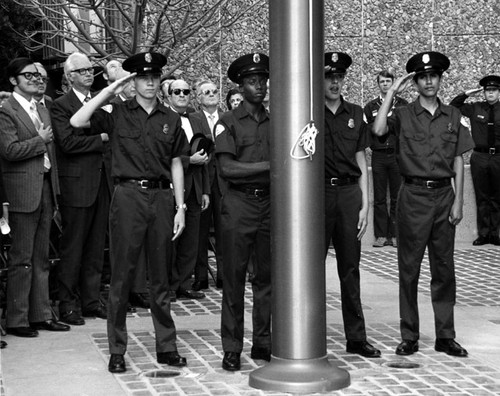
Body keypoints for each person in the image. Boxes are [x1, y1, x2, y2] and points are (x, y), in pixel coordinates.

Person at [70, 52, 189, 373]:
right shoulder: (117, 112)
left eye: (154, 77)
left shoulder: (172, 118)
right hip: (128, 197)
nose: (149, 83)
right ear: (132, 81)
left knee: (161, 277)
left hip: (163, 199)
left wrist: (180, 206)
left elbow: (177, 161)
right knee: (121, 276)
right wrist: (109, 91)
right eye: (142, 77)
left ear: (160, 80)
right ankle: (117, 350)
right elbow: (77, 121)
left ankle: (167, 347)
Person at [373, 51, 473, 357]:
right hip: (413, 197)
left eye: (434, 76)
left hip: (444, 197)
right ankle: (410, 335)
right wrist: (391, 93)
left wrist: (459, 202)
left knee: (444, 269)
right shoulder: (402, 115)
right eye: (423, 77)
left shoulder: (454, 116)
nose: (429, 81)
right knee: (409, 269)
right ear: (415, 83)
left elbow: (458, 158)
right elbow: (377, 131)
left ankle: (445, 335)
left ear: (440, 80)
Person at [0, 57, 70, 337]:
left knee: (41, 257)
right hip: (21, 193)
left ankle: (41, 315)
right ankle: (18, 320)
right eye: (27, 75)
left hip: (44, 189)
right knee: (22, 257)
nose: (35, 79)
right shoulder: (6, 111)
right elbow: (9, 151)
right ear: (13, 81)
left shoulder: (43, 108)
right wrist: (39, 140)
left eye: (37, 75)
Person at [215, 53, 272, 371]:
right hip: (239, 205)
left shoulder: (276, 120)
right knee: (234, 279)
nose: (260, 86)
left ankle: (263, 342)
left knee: (266, 278)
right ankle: (232, 346)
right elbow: (227, 168)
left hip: (268, 205)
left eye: (263, 81)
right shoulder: (227, 121)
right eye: (252, 81)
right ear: (240, 85)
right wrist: (269, 166)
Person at [323, 52, 381, 358]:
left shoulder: (356, 113)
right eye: (329, 77)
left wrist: (365, 205)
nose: (334, 82)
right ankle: (309, 334)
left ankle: (356, 338)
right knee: (310, 269)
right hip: (317, 196)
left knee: (350, 268)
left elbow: (362, 160)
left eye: (339, 77)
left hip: (348, 196)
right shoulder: (308, 113)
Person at [51, 52, 110, 325]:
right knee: (73, 248)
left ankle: (91, 301)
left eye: (91, 69)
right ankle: (67, 304)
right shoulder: (61, 105)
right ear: (69, 75)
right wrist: (99, 138)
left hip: (101, 184)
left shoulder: (100, 104)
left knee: (97, 248)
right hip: (76, 186)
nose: (89, 74)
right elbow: (67, 143)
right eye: (83, 70)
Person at [168, 79, 210, 300]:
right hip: (172, 186)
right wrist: (188, 160)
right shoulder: (163, 118)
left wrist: (205, 191)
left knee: (191, 240)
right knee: (172, 238)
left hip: (194, 187)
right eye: (177, 91)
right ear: (169, 96)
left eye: (186, 91)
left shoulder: (196, 119)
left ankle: (184, 283)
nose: (182, 95)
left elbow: (204, 155)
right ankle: (170, 285)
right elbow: (163, 155)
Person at [450, 76, 500, 246]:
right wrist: (466, 93)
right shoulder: (475, 108)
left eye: (494, 90)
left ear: (499, 92)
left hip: (499, 157)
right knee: (482, 197)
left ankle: (496, 234)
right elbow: (453, 106)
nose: (490, 93)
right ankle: (483, 234)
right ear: (484, 93)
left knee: (497, 197)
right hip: (480, 156)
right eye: (487, 90)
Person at [364, 70, 407, 248]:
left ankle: (396, 235)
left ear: (393, 83)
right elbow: (369, 130)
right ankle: (381, 235)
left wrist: (386, 123)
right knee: (380, 197)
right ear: (378, 84)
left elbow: (405, 129)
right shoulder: (371, 106)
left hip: (397, 155)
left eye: (388, 81)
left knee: (397, 196)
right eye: (381, 82)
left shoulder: (403, 105)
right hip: (379, 155)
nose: (385, 84)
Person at [192, 80, 224, 291]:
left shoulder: (229, 118)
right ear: (199, 98)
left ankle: (223, 275)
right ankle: (201, 276)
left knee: (224, 231)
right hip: (202, 180)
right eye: (206, 92)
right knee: (200, 232)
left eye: (214, 91)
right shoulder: (193, 119)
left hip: (224, 183)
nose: (211, 94)